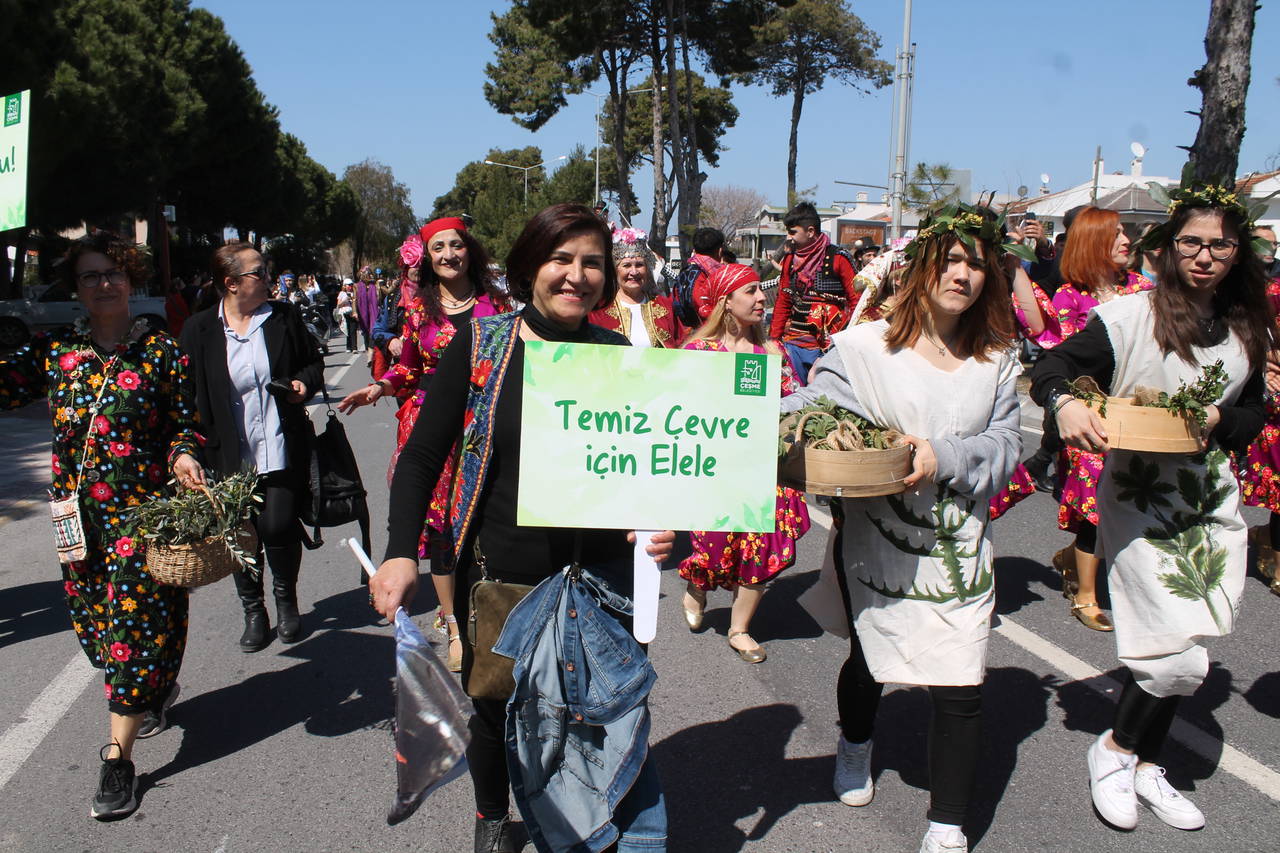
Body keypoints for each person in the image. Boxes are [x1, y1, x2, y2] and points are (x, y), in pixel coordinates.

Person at [369, 204, 673, 853]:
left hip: (604, 588)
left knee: (611, 725)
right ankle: (493, 814)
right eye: (562, 259)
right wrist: (399, 553)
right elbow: (422, 457)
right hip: (506, 581)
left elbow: (657, 469)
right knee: (503, 714)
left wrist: (666, 529)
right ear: (530, 265)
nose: (578, 274)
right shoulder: (483, 348)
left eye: (592, 261)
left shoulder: (619, 355)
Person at [783, 204, 1023, 853]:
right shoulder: (864, 348)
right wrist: (728, 417)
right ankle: (855, 742)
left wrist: (943, 457)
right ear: (920, 266)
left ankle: (947, 821)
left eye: (976, 262)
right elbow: (809, 407)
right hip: (874, 540)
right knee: (870, 657)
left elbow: (1006, 444)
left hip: (959, 545)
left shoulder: (997, 358)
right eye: (949, 258)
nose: (962, 273)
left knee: (962, 677)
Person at [1031, 181, 1269, 832]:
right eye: (1191, 241)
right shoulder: (1129, 318)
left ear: (1237, 249)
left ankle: (1143, 762)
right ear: (1168, 247)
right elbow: (1051, 368)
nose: (1204, 255)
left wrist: (1223, 415)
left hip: (1209, 501)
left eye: (1219, 243)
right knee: (1178, 657)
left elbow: (1257, 410)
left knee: (1185, 640)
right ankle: (1111, 750)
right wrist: (1068, 403)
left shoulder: (1247, 325)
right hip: (1138, 498)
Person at [0, 232, 205, 820]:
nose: (103, 284)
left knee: (133, 630)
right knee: (98, 634)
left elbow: (186, 424)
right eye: (90, 276)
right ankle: (151, 689)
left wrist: (184, 453)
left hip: (140, 520)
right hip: (75, 522)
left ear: (131, 278)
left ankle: (117, 758)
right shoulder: (54, 351)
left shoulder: (160, 351)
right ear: (77, 287)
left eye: (113, 273)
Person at [338, 218, 509, 673]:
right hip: (431, 426)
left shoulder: (499, 307)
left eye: (456, 245)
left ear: (469, 250)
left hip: (483, 425)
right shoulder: (420, 312)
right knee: (441, 531)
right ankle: (453, 624)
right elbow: (408, 369)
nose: (449, 254)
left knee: (484, 520)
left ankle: (492, 610)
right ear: (428, 258)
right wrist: (379, 388)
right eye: (439, 248)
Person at [180, 242, 323, 651]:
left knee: (277, 525)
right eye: (259, 272)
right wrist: (187, 449)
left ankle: (286, 599)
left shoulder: (282, 317)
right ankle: (254, 610)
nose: (269, 278)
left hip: (278, 447)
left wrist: (303, 384)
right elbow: (185, 395)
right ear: (231, 283)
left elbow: (312, 363)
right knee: (241, 535)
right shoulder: (199, 329)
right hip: (226, 456)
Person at [679, 264, 810, 662]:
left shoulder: (771, 352)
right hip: (714, 471)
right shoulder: (698, 352)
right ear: (726, 301)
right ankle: (698, 585)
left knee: (760, 549)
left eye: (760, 291)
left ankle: (740, 629)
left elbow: (798, 403)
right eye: (751, 291)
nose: (760, 299)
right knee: (715, 550)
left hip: (764, 470)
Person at [1049, 207, 1154, 632]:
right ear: (1093, 244)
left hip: (1141, 411)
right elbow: (1072, 361)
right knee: (1094, 502)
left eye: (1126, 235)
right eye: (1115, 237)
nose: (1127, 242)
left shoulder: (1145, 288)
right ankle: (1086, 593)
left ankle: (1075, 559)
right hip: (1090, 414)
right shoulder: (1070, 297)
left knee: (1132, 499)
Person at [768, 202, 860, 383]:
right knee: (793, 391)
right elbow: (783, 300)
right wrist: (773, 340)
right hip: (794, 340)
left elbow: (856, 299)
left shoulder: (839, 257)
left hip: (830, 343)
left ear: (810, 231)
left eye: (793, 232)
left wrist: (851, 339)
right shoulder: (789, 260)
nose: (789, 237)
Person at [1239, 225, 1280, 596]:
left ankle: (1267, 536)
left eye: (1274, 243)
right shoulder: (1264, 293)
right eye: (1261, 242)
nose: (1270, 248)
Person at [588, 225, 686, 348]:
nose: (634, 272)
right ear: (615, 270)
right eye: (626, 265)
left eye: (639, 265)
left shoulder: (665, 306)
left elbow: (680, 345)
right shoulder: (599, 309)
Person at [355, 266, 379, 364]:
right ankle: (368, 351)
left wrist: (393, 286)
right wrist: (354, 311)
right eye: (365, 274)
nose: (367, 276)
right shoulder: (356, 286)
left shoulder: (376, 285)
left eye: (368, 274)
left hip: (374, 312)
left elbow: (386, 292)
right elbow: (354, 300)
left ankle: (371, 354)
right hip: (362, 312)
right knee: (365, 332)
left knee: (373, 331)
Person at [335, 281, 357, 352]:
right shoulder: (342, 293)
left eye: (351, 285)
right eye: (348, 285)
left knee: (353, 330)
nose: (350, 287)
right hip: (344, 314)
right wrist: (345, 300)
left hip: (352, 313)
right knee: (347, 330)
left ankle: (354, 348)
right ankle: (348, 347)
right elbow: (338, 305)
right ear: (344, 286)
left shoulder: (354, 293)